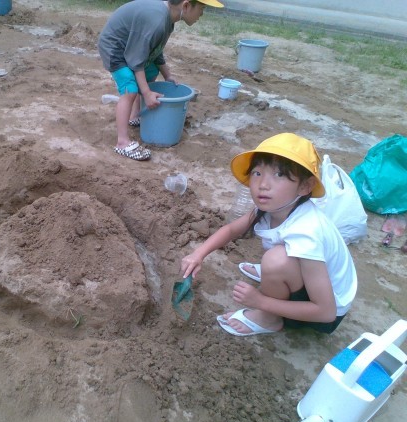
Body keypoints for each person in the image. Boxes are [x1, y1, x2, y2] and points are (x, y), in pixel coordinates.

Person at [180, 133, 357, 336]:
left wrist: (260, 301)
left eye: (279, 174)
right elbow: (231, 230)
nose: (263, 184)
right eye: (257, 173)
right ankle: (277, 276)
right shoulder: (274, 207)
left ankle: (269, 319)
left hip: (324, 313)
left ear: (305, 186)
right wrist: (198, 254)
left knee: (275, 260)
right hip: (314, 281)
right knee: (275, 260)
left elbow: (326, 313)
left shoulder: (306, 233)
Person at [97, 0, 224, 161]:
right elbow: (136, 61)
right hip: (115, 48)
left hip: (131, 48)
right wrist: (147, 93)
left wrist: (167, 75)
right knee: (130, 90)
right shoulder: (157, 21)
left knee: (151, 70)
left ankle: (134, 116)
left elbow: (155, 51)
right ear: (186, 6)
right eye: (202, 8)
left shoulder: (168, 20)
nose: (202, 14)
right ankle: (122, 142)